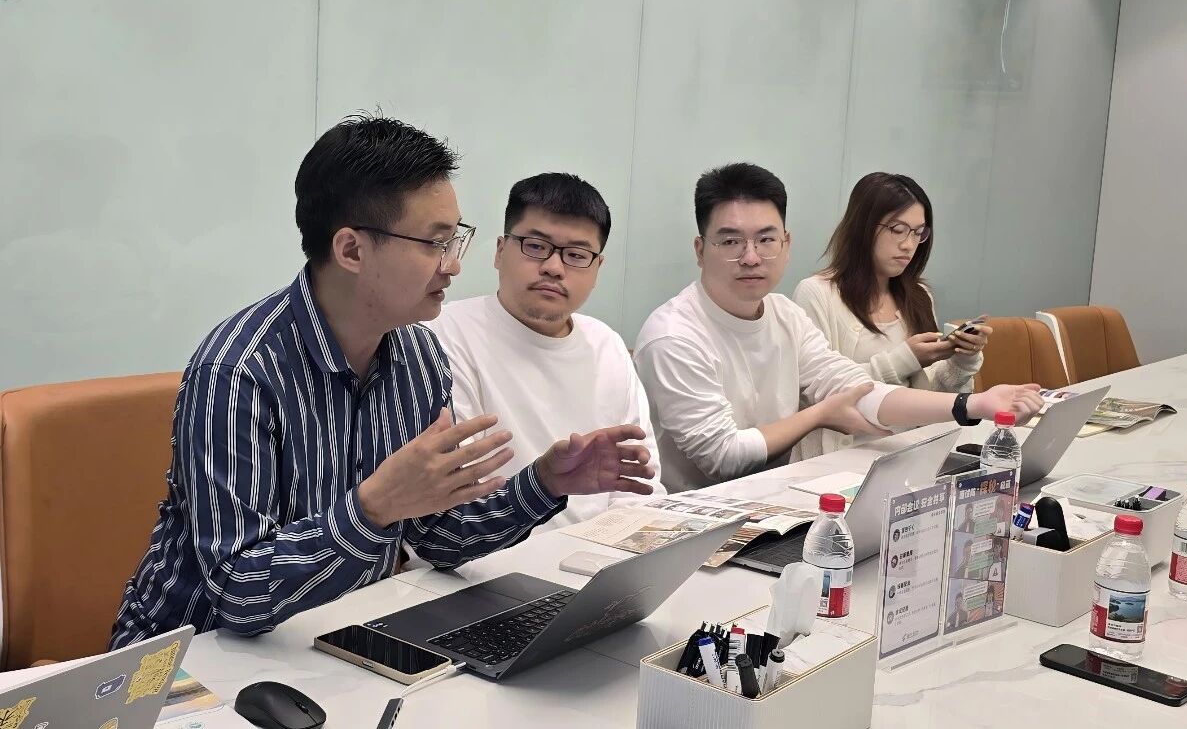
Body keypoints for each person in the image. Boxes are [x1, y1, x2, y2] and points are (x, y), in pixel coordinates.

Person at [110, 115, 656, 647]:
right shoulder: (239, 373)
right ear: (351, 250)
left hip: (334, 636)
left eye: (455, 240)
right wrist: (371, 510)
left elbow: (439, 539)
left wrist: (544, 483)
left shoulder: (419, 357)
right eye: (434, 243)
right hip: (189, 657)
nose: (452, 266)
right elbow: (237, 591)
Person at [633, 163, 1042, 493]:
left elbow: (854, 388)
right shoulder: (674, 335)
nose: (751, 257)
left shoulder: (784, 314)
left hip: (776, 498)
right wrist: (819, 415)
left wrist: (973, 405)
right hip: (694, 518)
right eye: (730, 242)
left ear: (786, 245)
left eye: (766, 240)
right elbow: (722, 457)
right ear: (700, 250)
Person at [430, 173, 664, 529]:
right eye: (536, 246)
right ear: (500, 251)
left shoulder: (607, 345)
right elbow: (458, 503)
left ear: (597, 268)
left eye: (576, 255)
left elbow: (639, 484)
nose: (554, 268)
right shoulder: (443, 335)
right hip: (491, 551)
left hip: (602, 549)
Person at [793, 172, 992, 458]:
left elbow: (931, 397)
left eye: (918, 232)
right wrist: (906, 359)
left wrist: (963, 358)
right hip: (839, 458)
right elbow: (822, 391)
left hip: (909, 452)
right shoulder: (817, 293)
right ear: (863, 227)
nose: (909, 244)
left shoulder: (918, 295)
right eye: (897, 229)